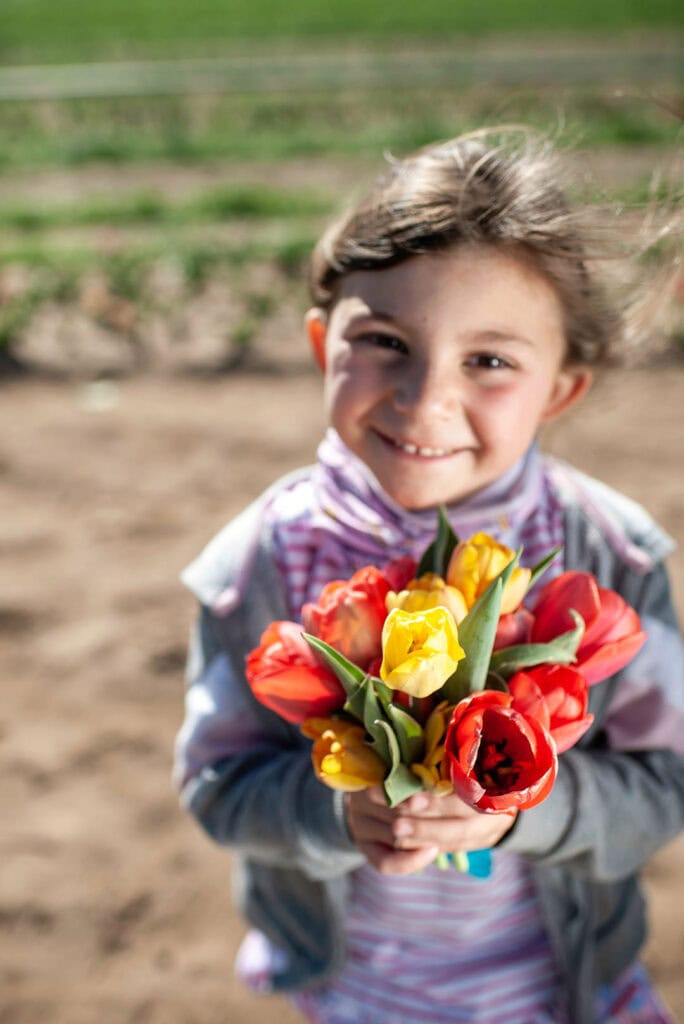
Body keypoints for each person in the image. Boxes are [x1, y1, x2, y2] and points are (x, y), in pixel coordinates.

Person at [174, 128, 684, 1023]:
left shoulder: (608, 554)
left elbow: (665, 783)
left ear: (562, 389)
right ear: (319, 341)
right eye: (384, 342)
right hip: (357, 990)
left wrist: (528, 808)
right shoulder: (258, 562)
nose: (425, 399)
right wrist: (331, 814)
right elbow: (218, 787)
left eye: (488, 360)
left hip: (568, 985)